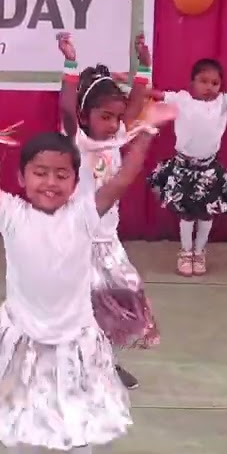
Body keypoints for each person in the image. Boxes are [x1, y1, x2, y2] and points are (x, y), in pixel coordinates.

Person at [0, 100, 177, 454]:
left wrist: (147, 132)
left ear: (75, 180)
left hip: (76, 337)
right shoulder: (10, 214)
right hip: (22, 334)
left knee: (79, 410)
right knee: (16, 409)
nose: (50, 183)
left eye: (61, 175)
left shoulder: (84, 214)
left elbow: (122, 179)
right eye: (40, 173)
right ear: (21, 177)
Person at [56, 32, 159, 391]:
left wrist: (144, 63)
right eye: (105, 116)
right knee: (79, 311)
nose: (114, 124)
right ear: (86, 116)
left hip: (108, 242)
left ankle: (107, 362)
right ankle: (70, 367)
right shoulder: (78, 141)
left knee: (118, 304)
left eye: (117, 117)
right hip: (77, 244)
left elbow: (136, 102)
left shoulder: (117, 138)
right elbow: (67, 108)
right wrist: (70, 62)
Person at [146, 46, 227, 276]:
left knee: (207, 212)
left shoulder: (222, 103)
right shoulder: (181, 99)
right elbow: (154, 93)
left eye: (215, 83)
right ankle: (186, 253)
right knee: (187, 212)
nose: (209, 87)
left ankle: (200, 252)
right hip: (184, 167)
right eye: (203, 81)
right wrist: (133, 82)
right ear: (191, 83)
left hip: (209, 168)